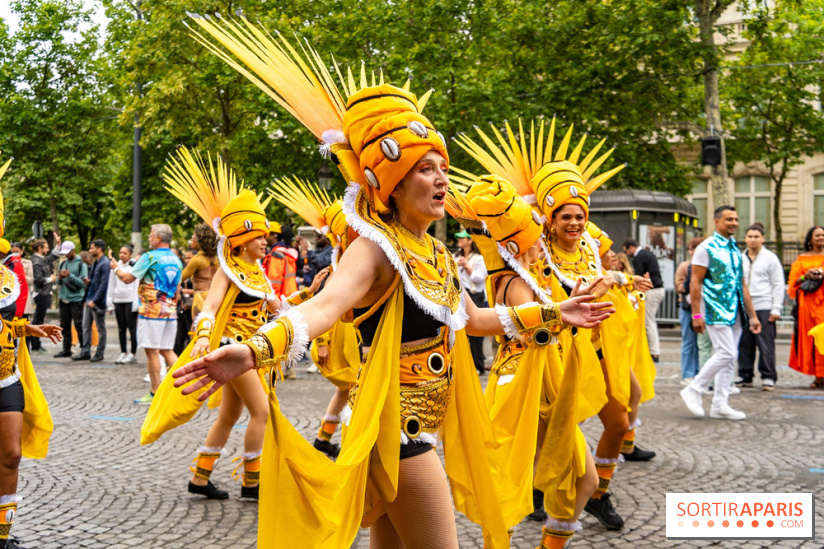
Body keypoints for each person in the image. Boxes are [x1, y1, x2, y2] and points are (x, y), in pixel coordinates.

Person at [170, 23, 611, 548]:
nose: (443, 179)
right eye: (426, 169)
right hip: (395, 430)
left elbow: (475, 321)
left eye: (443, 167)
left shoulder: (438, 253)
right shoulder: (375, 248)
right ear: (394, 184)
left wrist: (561, 313)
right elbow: (324, 308)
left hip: (421, 425)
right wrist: (252, 350)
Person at [453, 117, 657, 531]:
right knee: (554, 435)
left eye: (580, 215)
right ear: (548, 219)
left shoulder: (590, 243)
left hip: (597, 347)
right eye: (566, 216)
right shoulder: (532, 258)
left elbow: (605, 275)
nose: (575, 223)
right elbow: (521, 312)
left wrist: (620, 279)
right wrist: (562, 311)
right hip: (556, 355)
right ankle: (545, 492)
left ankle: (593, 494)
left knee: (616, 420)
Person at [451, 176, 601, 547]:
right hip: (524, 387)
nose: (541, 240)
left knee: (575, 478)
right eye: (535, 233)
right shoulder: (514, 282)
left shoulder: (521, 275)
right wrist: (564, 317)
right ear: (517, 242)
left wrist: (566, 311)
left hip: (537, 381)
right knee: (516, 479)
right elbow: (530, 335)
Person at [142, 148, 282, 500]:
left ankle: (200, 479)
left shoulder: (257, 271)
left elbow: (277, 308)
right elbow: (210, 310)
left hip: (250, 350)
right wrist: (204, 339)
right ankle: (253, 484)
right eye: (260, 236)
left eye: (265, 236)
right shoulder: (228, 271)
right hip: (231, 349)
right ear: (241, 238)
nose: (266, 241)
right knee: (261, 412)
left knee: (230, 417)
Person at [269, 176, 360, 458]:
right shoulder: (340, 261)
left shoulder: (355, 255)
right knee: (355, 386)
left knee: (348, 388)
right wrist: (320, 341)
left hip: (354, 333)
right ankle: (352, 442)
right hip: (341, 335)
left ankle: (324, 437)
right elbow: (325, 304)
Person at [0, 158, 63, 549]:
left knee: (10, 455)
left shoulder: (7, 277)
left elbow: (6, 322)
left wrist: (29, 327)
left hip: (6, 377)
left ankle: (2, 535)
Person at [680, 206, 761, 421]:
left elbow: (742, 284)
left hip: (735, 310)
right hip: (714, 308)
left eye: (736, 219)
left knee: (729, 356)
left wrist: (752, 315)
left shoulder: (735, 250)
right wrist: (697, 315)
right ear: (717, 221)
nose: (734, 223)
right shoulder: (706, 248)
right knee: (726, 353)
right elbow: (695, 282)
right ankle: (694, 388)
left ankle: (720, 403)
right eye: (729, 219)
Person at [112, 224, 182, 405]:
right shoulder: (176, 259)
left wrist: (115, 268)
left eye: (151, 235)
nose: (149, 239)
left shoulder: (149, 257)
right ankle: (180, 390)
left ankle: (154, 392)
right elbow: (178, 289)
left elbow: (127, 279)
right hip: (170, 310)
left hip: (152, 310)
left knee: (152, 352)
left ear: (158, 238)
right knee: (167, 350)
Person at [736, 223, 784, 390]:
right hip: (743, 305)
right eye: (750, 236)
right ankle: (745, 375)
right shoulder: (740, 257)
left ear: (762, 238)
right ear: (745, 239)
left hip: (764, 304)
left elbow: (778, 284)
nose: (753, 240)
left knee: (765, 343)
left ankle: (768, 376)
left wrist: (776, 308)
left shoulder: (771, 258)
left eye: (756, 237)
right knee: (744, 342)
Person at [788, 226, 824, 387]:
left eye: (823, 235)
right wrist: (806, 275)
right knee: (812, 339)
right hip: (807, 304)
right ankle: (818, 376)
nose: (821, 238)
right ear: (810, 239)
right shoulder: (801, 259)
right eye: (817, 235)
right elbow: (792, 284)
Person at [623, 238, 665, 362]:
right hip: (657, 289)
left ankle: (654, 352)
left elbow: (639, 277)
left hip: (651, 290)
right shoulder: (647, 253)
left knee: (648, 321)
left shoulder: (638, 257)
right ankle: (652, 350)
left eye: (626, 251)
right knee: (649, 320)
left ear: (631, 248)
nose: (627, 255)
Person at [454, 230, 488, 376]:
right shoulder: (455, 256)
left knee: (476, 334)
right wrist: (457, 264)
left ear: (470, 240)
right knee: (459, 333)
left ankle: (478, 365)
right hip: (458, 296)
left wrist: (467, 266)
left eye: (462, 238)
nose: (459, 241)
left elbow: (478, 279)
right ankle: (461, 366)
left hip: (475, 296)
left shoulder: (480, 258)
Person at [675, 237, 705, 384]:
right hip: (687, 308)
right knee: (689, 342)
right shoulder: (685, 266)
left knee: (702, 343)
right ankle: (687, 374)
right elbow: (678, 285)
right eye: (691, 249)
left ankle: (700, 372)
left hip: (702, 308)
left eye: (695, 249)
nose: (692, 252)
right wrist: (687, 288)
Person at [76, 240, 110, 362]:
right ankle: (85, 352)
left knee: (100, 328)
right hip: (90, 299)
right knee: (86, 327)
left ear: (99, 249)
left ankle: (99, 353)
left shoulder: (105, 263)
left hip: (97, 302)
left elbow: (104, 284)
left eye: (92, 248)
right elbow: (96, 282)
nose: (90, 251)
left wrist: (95, 300)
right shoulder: (97, 263)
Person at [53, 241, 87, 358]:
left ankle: (84, 349)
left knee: (79, 325)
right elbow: (58, 282)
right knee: (64, 324)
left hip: (76, 299)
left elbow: (83, 284)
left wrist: (70, 275)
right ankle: (66, 349)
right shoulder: (63, 264)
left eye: (68, 253)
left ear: (73, 250)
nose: (66, 255)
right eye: (64, 253)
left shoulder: (81, 264)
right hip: (64, 299)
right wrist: (60, 277)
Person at [107, 244, 139, 364]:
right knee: (121, 328)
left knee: (132, 328)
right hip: (118, 300)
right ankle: (123, 352)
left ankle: (133, 353)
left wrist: (136, 303)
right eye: (120, 252)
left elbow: (136, 284)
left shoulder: (134, 265)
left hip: (130, 300)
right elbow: (111, 284)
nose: (121, 255)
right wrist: (110, 302)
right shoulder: (116, 265)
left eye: (124, 253)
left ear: (130, 254)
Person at [30, 236, 61, 353]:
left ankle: (35, 344)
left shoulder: (41, 258)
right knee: (38, 320)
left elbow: (53, 256)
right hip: (41, 294)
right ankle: (36, 345)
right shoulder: (36, 262)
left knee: (39, 319)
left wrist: (58, 244)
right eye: (46, 247)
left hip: (45, 293)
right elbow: (38, 279)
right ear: (39, 248)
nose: (48, 250)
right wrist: (51, 279)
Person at [0, 240, 29, 322]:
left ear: (2, 253)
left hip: (11, 307)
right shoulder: (9, 262)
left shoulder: (14, 263)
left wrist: (18, 312)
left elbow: (20, 286)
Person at [10, 243, 34, 323]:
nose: (15, 254)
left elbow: (31, 280)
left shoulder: (27, 263)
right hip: (11, 297)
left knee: (23, 325)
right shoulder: (7, 263)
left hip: (24, 296)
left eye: (17, 252)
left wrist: (21, 272)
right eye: (13, 252)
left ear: (22, 251)